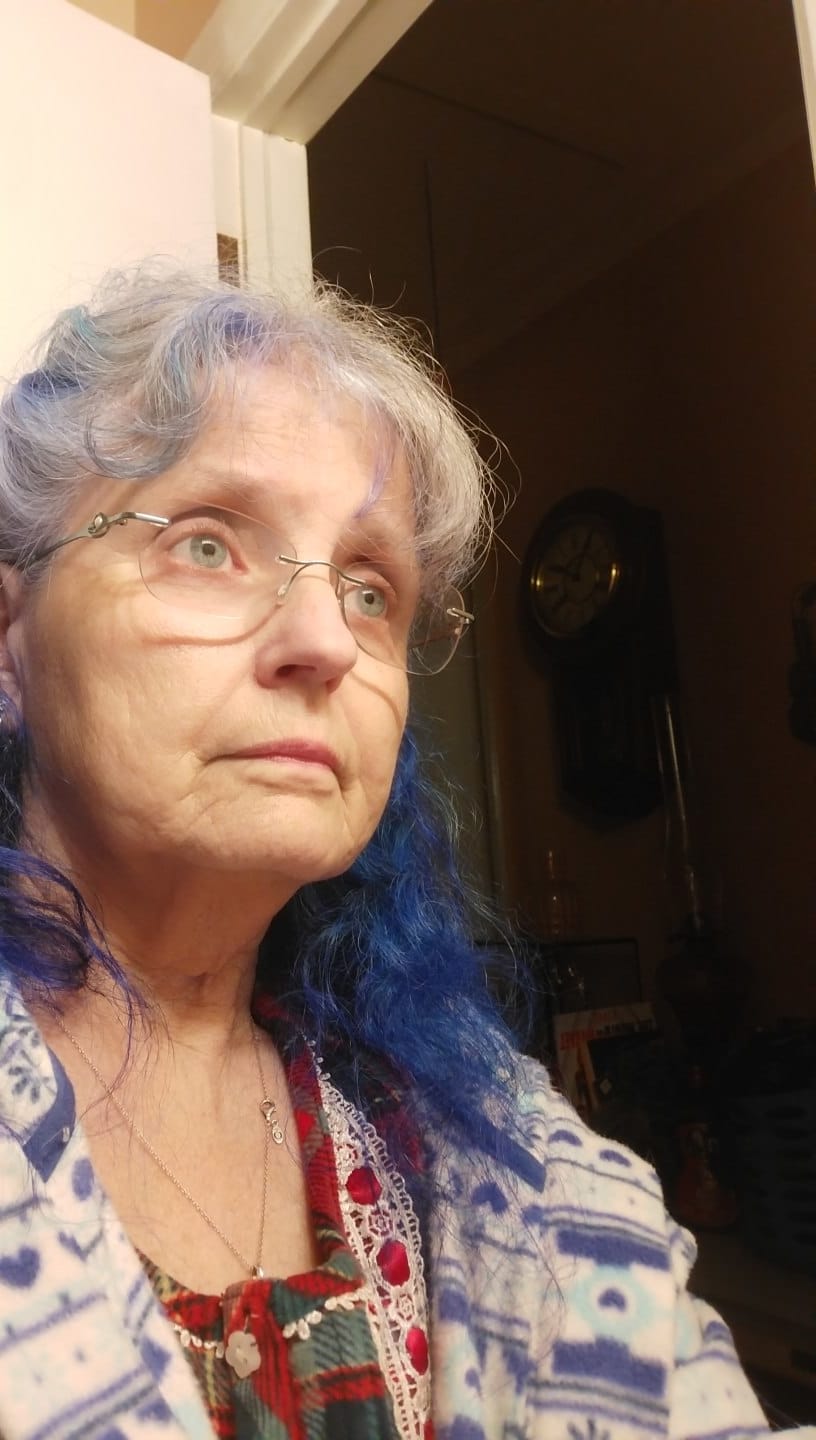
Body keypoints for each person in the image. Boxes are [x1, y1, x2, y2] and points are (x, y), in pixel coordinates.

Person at [0, 267, 803, 1440]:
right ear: (9, 639)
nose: (327, 639)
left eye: (372, 590)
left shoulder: (498, 1147)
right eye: (209, 545)